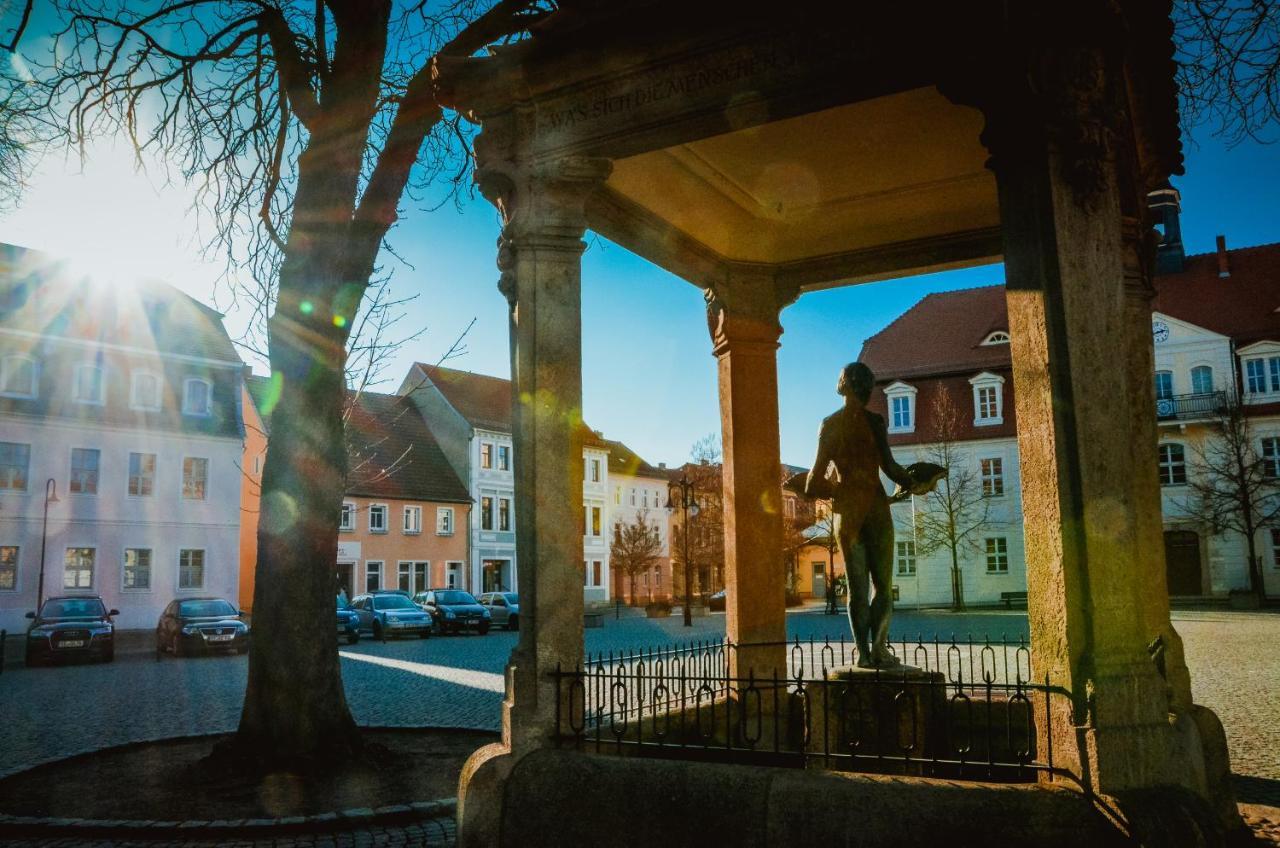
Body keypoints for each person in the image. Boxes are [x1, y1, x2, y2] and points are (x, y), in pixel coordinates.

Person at [805, 362, 925, 668]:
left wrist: (837, 487)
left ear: (843, 385)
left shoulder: (828, 424)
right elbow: (889, 466)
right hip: (875, 507)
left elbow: (812, 484)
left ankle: (862, 653)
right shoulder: (875, 421)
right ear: (867, 388)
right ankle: (879, 648)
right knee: (883, 585)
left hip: (848, 513)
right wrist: (912, 480)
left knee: (857, 590)